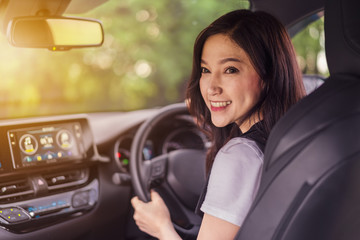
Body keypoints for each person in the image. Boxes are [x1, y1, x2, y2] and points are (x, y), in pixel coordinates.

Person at [131, 9, 305, 240]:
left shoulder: (239, 155)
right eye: (206, 70)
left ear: (268, 76)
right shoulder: (297, 132)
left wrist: (161, 228)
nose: (211, 87)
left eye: (230, 70)